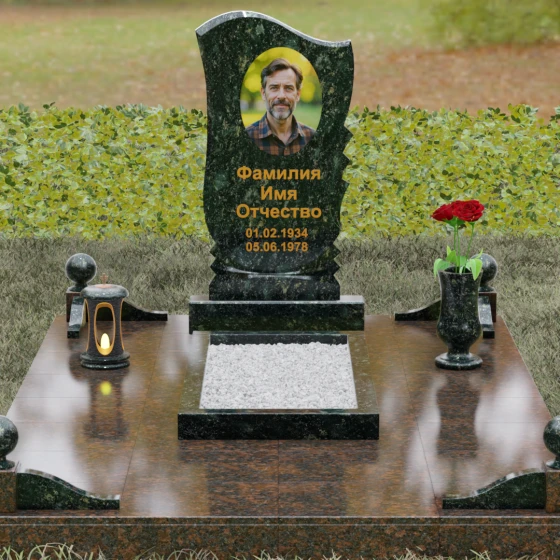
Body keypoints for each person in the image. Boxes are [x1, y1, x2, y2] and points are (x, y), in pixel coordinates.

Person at [245, 58, 316, 156]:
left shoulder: (313, 137)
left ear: (298, 95)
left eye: (289, 88)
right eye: (274, 88)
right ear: (263, 93)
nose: (281, 96)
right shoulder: (246, 137)